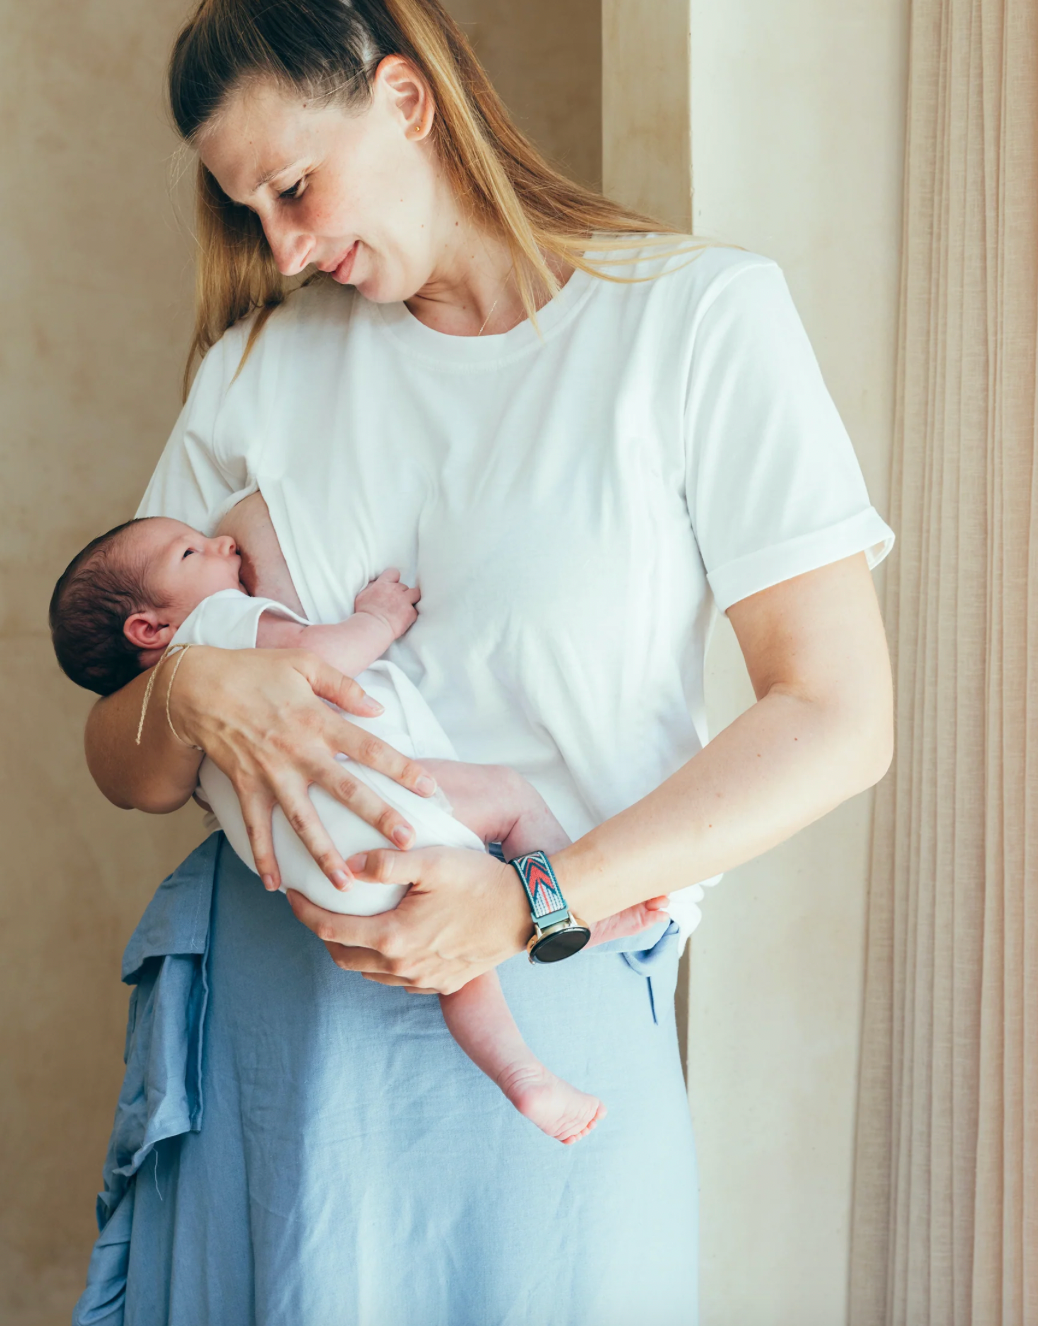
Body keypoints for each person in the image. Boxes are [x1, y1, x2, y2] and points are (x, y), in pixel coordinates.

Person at [72, 1, 896, 1322]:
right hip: (287, 1018)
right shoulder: (257, 371)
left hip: (555, 980)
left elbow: (839, 714)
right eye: (249, 212)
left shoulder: (694, 322)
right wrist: (191, 685)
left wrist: (532, 902)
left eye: (293, 187)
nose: (282, 243)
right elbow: (126, 759)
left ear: (407, 100)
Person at [49, 510, 670, 1142]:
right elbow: (318, 658)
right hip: (375, 813)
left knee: (458, 968)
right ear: (151, 626)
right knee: (510, 799)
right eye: (190, 552)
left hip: (328, 877)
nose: (220, 542)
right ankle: (565, 912)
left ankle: (524, 1076)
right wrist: (379, 618)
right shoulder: (213, 625)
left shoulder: (177, 721)